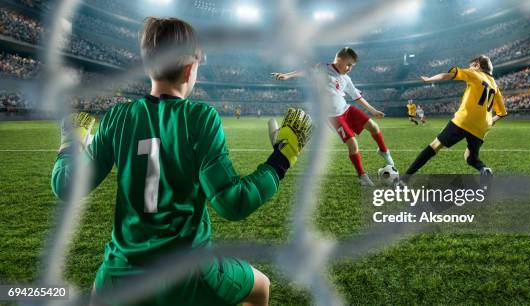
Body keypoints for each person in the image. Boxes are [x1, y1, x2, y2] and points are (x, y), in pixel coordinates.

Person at [51, 17, 311, 306]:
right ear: (190, 69)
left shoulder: (117, 118)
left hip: (120, 277)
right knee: (261, 287)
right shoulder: (200, 117)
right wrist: (282, 158)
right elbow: (232, 202)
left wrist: (69, 145)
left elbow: (66, 186)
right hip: (190, 274)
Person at [272, 47, 394, 186]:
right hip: (333, 117)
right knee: (352, 144)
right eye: (348, 64)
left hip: (346, 109)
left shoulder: (346, 79)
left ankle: (384, 151)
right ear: (339, 59)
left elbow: (357, 96)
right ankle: (362, 176)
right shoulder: (323, 68)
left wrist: (373, 111)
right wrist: (287, 75)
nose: (349, 68)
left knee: (373, 126)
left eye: (352, 66)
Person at [402, 55, 507, 180]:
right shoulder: (495, 86)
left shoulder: (474, 74)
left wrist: (429, 79)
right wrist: (490, 121)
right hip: (482, 127)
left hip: (464, 120)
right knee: (470, 158)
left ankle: (404, 180)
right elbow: (502, 113)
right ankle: (484, 169)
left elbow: (446, 75)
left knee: (434, 146)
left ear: (477, 65)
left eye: (471, 66)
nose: (470, 68)